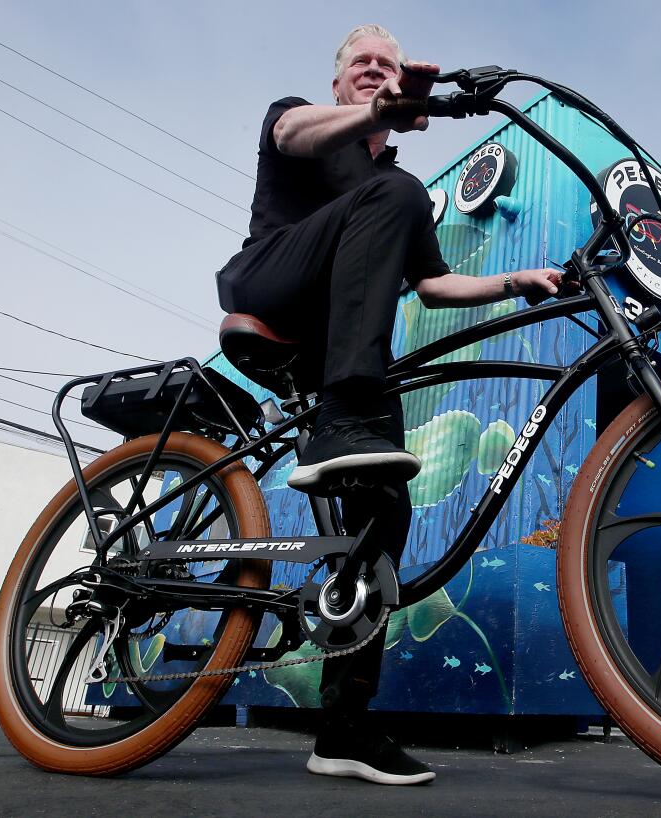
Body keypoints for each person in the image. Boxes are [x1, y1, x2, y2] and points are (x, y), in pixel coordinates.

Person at [215, 24, 564, 785]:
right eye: (362, 64)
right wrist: (375, 117)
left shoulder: (394, 194)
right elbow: (292, 132)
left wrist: (519, 279)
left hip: (341, 347)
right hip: (272, 287)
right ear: (340, 81)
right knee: (397, 192)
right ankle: (344, 415)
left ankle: (342, 730)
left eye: (388, 66)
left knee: (386, 517)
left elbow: (435, 285)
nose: (374, 71)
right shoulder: (307, 122)